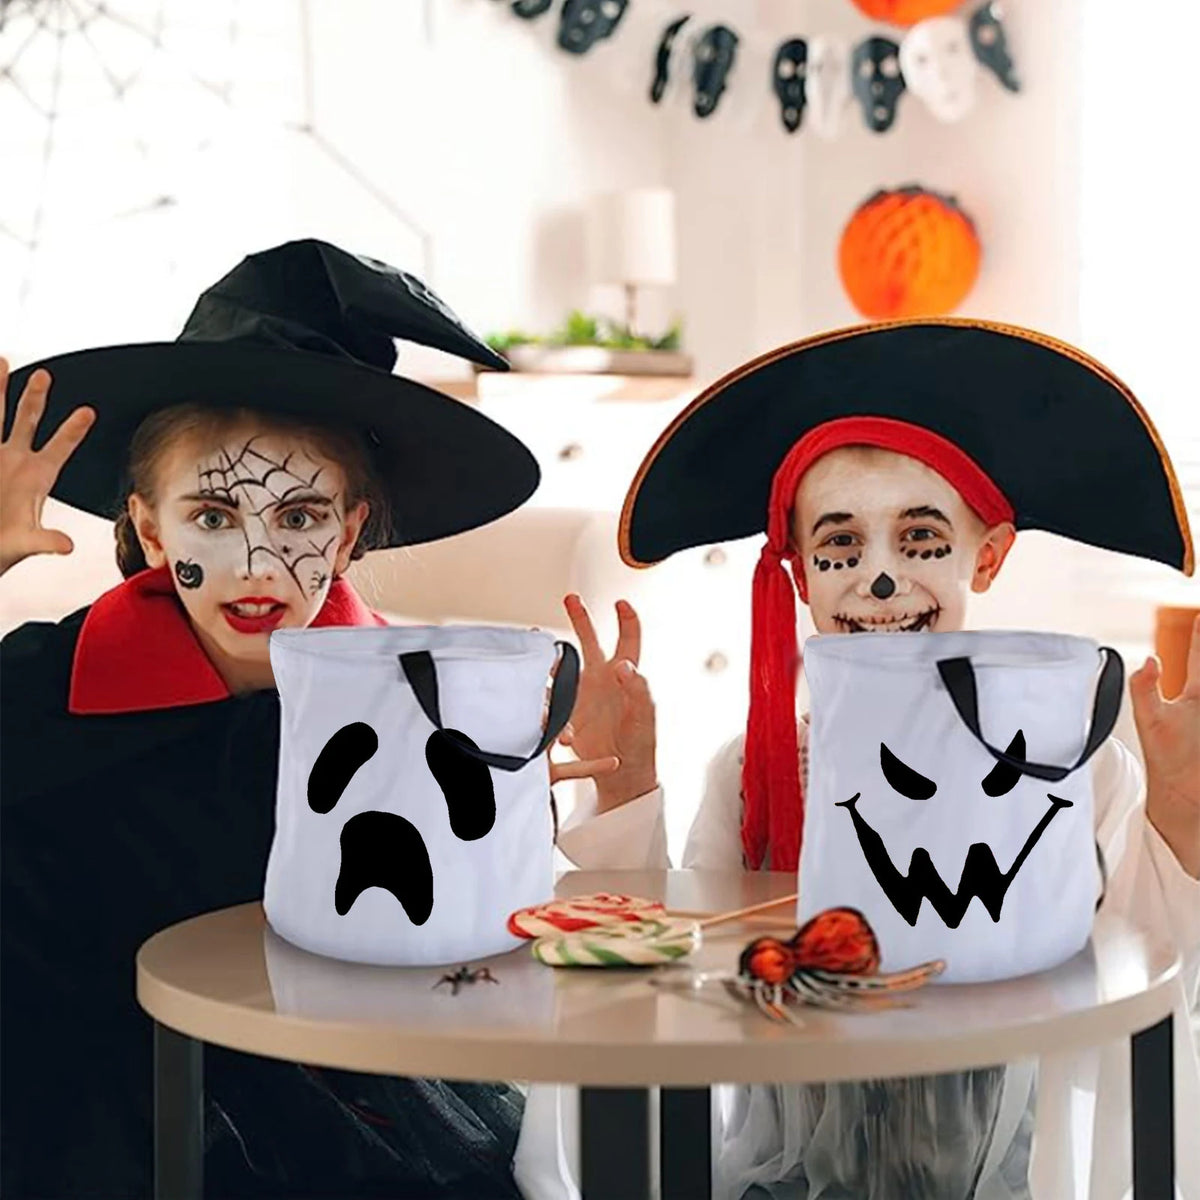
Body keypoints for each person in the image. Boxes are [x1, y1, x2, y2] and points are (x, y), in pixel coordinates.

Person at [519, 320, 1200, 1200]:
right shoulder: (756, 773)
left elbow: (1148, 982)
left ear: (988, 557)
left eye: (920, 541)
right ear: (801, 575)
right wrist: (625, 788)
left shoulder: (1071, 767)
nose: (879, 581)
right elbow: (672, 973)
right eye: (840, 546)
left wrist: (1179, 819)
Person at [0, 238, 622, 1199]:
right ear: (151, 527)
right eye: (214, 516)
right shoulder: (43, 688)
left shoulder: (426, 709)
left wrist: (580, 806)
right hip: (79, 1109)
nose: (257, 564)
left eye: (297, 519)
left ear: (351, 531)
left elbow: (482, 941)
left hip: (343, 1098)